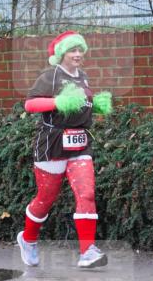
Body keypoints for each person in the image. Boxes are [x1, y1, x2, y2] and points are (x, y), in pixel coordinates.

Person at [16, 31, 113, 268]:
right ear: (62, 54)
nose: (78, 54)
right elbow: (30, 105)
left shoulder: (83, 77)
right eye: (73, 50)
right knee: (46, 198)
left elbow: (79, 106)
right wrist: (58, 102)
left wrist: (95, 106)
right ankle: (28, 239)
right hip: (52, 143)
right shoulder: (51, 76)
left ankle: (87, 251)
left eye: (80, 50)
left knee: (87, 193)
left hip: (80, 143)